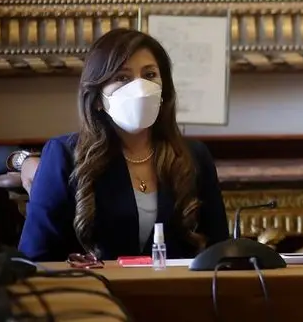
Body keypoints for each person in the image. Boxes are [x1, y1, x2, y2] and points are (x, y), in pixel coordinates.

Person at [19, 28, 229, 261]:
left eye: (149, 75)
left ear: (164, 90)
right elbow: (34, 257)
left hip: (176, 293)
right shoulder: (64, 155)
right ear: (98, 98)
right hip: (91, 293)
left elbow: (219, 252)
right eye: (122, 77)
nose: (140, 89)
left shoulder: (193, 156)